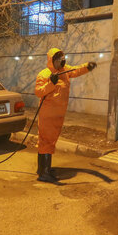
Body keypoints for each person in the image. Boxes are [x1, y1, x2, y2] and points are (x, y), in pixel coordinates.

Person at [34, 48, 97, 183]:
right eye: (59, 59)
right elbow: (39, 92)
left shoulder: (64, 71)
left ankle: (43, 168)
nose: (62, 61)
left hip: (58, 114)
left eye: (62, 58)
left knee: (50, 141)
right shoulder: (44, 74)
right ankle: (44, 174)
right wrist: (52, 83)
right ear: (52, 60)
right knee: (46, 141)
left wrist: (87, 67)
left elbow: (76, 70)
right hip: (48, 114)